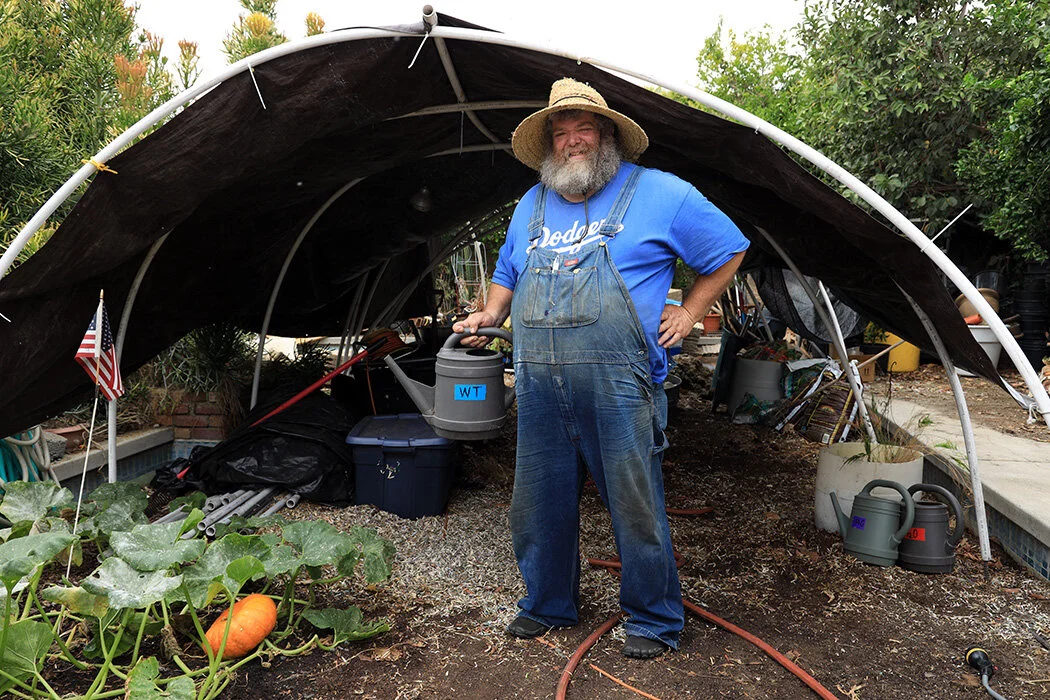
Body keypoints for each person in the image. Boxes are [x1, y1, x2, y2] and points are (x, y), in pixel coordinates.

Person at [453, 78, 749, 659]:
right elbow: (509, 272)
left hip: (620, 383)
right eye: (560, 133)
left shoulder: (661, 194)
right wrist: (489, 311)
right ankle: (546, 603)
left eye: (583, 128)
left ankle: (653, 618)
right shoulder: (532, 203)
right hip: (537, 383)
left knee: (634, 503)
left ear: (607, 134)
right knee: (537, 502)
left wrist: (691, 311)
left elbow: (730, 247)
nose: (572, 142)